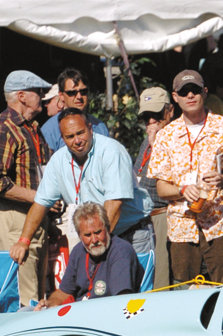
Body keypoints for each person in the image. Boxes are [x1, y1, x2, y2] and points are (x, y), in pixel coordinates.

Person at [9, 108, 155, 267]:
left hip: (130, 235)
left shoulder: (111, 151)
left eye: (80, 133)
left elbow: (114, 204)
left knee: (133, 291)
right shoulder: (58, 160)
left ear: (91, 129)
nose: (77, 140)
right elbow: (40, 204)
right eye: (70, 137)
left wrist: (98, 245)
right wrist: (24, 241)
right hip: (95, 240)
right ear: (62, 138)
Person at [149, 70, 223, 285]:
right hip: (182, 228)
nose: (190, 95)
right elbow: (161, 187)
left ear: (205, 92)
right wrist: (182, 190)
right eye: (184, 92)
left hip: (221, 224)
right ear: (175, 97)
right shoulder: (166, 135)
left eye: (195, 90)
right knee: (186, 291)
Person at [0, 70, 53, 306]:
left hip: (34, 215)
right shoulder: (2, 126)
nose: (43, 97)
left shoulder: (30, 127)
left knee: (38, 295)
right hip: (13, 218)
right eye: (39, 92)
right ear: (22, 96)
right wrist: (39, 196)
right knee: (25, 299)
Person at [35, 202, 142, 309]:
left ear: (107, 229)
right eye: (87, 235)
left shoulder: (120, 252)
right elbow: (64, 292)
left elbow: (121, 300)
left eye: (98, 232)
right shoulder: (78, 251)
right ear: (79, 236)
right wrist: (49, 303)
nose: (94, 240)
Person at [134, 86, 175, 289]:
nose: (151, 122)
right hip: (144, 220)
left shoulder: (176, 139)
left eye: (156, 115)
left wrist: (156, 144)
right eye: (146, 117)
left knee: (161, 282)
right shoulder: (147, 141)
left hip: (164, 216)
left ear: (170, 112)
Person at [40, 68, 109, 152]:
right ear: (61, 95)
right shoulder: (49, 130)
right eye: (72, 93)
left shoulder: (100, 126)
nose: (79, 96)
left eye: (83, 91)